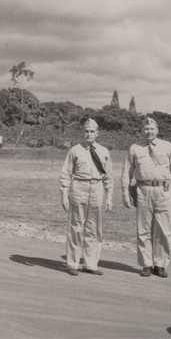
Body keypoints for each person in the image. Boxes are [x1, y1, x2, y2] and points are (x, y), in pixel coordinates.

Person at [121, 116, 171, 278]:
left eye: (152, 129)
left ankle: (160, 265)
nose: (149, 131)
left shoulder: (167, 146)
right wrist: (125, 193)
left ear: (157, 130)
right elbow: (126, 172)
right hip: (143, 190)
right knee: (144, 229)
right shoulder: (135, 148)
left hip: (163, 191)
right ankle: (146, 264)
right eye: (146, 129)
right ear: (142, 130)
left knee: (164, 230)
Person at [59, 118, 113, 275]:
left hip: (97, 188)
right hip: (79, 187)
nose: (88, 134)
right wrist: (64, 195)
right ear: (83, 132)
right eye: (86, 131)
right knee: (76, 227)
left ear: (97, 133)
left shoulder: (104, 151)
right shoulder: (75, 150)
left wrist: (109, 197)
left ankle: (91, 264)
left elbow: (108, 176)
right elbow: (66, 174)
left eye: (92, 131)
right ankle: (73, 264)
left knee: (94, 228)